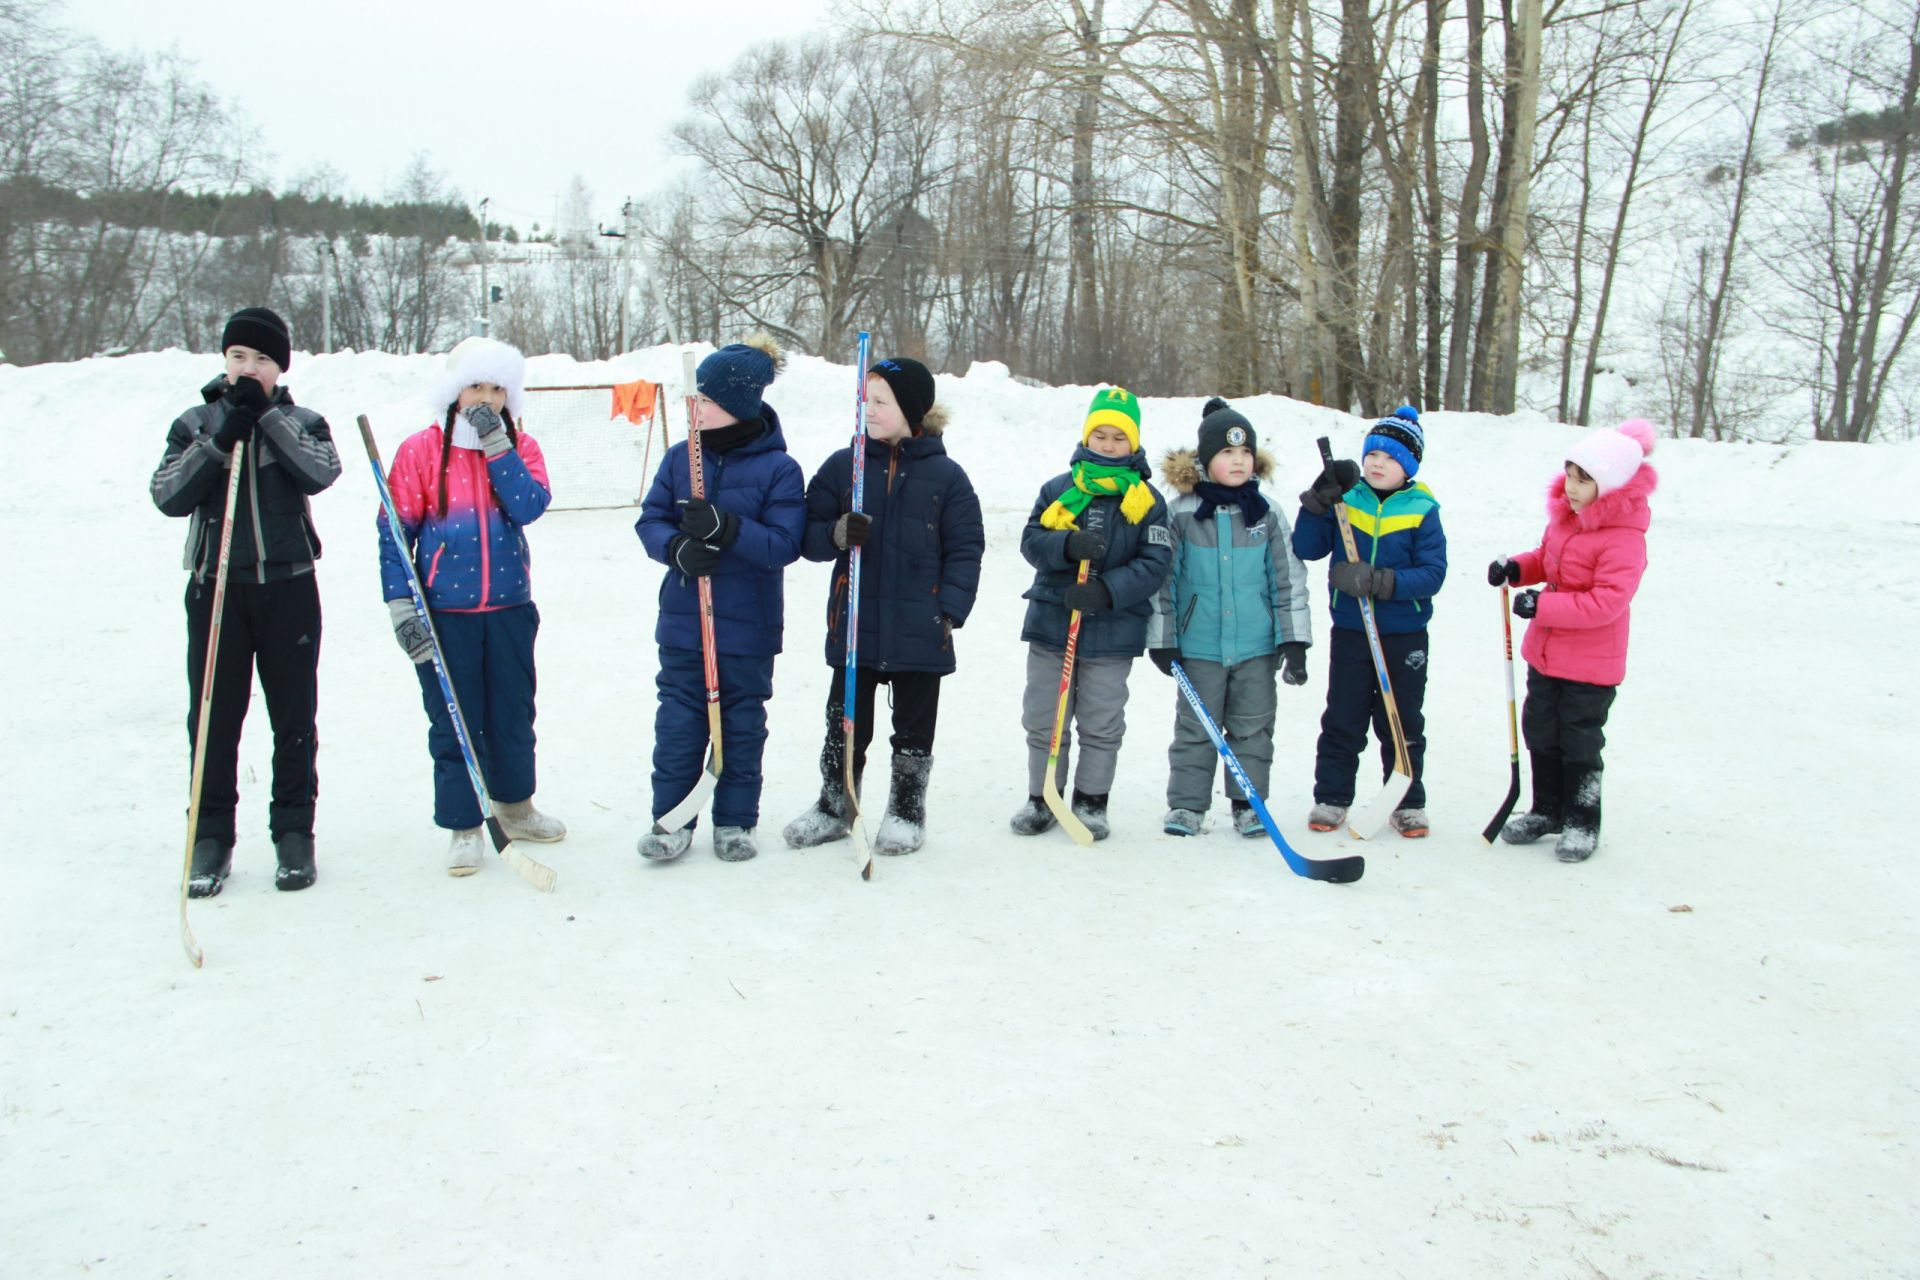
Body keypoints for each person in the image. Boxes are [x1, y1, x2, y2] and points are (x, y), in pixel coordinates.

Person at [150, 306, 341, 896]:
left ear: (278, 367)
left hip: (287, 586)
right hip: (218, 589)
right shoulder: (195, 421)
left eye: (261, 359)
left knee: (293, 716)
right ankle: (210, 837)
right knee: (213, 713)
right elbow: (168, 494)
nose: (248, 367)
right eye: (238, 356)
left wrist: (267, 422)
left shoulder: (302, 418)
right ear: (224, 359)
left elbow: (320, 473)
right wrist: (220, 440)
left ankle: (293, 834)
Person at [376, 337, 565, 876]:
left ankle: (515, 805)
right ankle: (465, 823)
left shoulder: (521, 447)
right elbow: (395, 533)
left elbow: (530, 507)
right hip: (446, 612)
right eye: (476, 386)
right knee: (454, 718)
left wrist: (497, 447)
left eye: (497, 388)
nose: (486, 398)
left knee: (512, 712)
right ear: (454, 390)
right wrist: (402, 606)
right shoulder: (420, 450)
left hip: (509, 606)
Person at [784, 357, 984, 856]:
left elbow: (966, 548)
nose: (868, 411)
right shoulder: (843, 466)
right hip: (857, 624)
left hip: (922, 626)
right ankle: (835, 805)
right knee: (845, 722)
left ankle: (906, 811)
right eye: (864, 400)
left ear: (911, 409)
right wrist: (834, 533)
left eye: (881, 402)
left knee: (914, 730)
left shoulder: (947, 477)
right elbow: (806, 535)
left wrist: (950, 612)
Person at [635, 335, 805, 863]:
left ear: (735, 406)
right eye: (694, 398)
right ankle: (673, 820)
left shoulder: (780, 470)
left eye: (704, 400)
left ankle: (734, 820)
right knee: (680, 724)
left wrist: (728, 527)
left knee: (741, 724)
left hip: (747, 627)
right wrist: (677, 549)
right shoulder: (680, 458)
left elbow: (783, 545)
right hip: (686, 621)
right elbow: (651, 521)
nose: (695, 407)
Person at [1490, 419, 1657, 862]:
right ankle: (1547, 809)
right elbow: (1548, 560)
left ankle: (1582, 820)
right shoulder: (1566, 522)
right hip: (1546, 656)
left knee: (1579, 741)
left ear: (1612, 485)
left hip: (1590, 666)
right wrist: (1517, 570)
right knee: (1540, 730)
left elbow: (1605, 603)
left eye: (1585, 479)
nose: (1572, 486)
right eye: (1570, 474)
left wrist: (1540, 608)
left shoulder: (1625, 540)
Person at [1147, 398, 1313, 837]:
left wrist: (1293, 640)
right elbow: (1163, 579)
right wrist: (1163, 638)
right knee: (1195, 727)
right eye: (1226, 453)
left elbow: (1288, 579)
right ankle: (1187, 805)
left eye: (1244, 453)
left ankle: (1248, 803)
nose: (1238, 461)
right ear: (1204, 460)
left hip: (1256, 646)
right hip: (1198, 643)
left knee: (1253, 726)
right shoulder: (1181, 512)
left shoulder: (1268, 513)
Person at [1011, 387, 1172, 840]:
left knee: (1101, 719)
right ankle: (1042, 796)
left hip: (1113, 629)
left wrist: (1106, 591)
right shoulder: (1058, 490)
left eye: (1118, 437)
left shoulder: (1147, 501)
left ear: (1134, 444)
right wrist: (1066, 546)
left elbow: (1155, 564)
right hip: (1052, 622)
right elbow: (1030, 541)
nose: (1107, 444)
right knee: (1045, 715)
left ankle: (1091, 801)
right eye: (1099, 434)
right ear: (1086, 436)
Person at [1291, 406, 1448, 837]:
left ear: (1409, 466)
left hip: (1404, 634)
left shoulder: (1422, 509)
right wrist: (1316, 504)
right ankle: (1332, 796)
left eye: (1391, 457)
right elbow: (1305, 546)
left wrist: (1378, 581)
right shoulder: (1346, 499)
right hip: (1353, 631)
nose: (1378, 463)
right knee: (1344, 714)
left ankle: (1406, 800)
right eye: (1373, 454)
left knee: (1401, 719)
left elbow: (1433, 574)